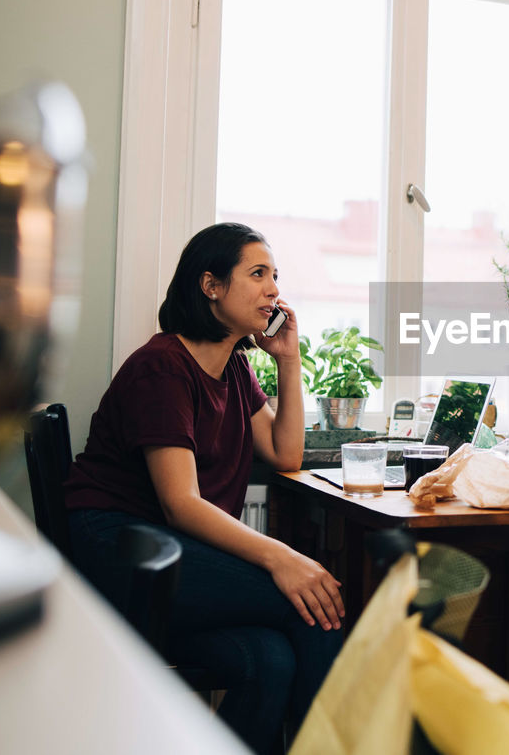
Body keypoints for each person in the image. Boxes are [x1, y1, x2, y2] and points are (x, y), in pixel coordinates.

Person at [64, 222, 344, 754]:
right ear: (210, 285)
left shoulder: (234, 368)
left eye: (275, 276)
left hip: (171, 556)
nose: (273, 290)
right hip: (125, 551)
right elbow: (181, 504)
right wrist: (281, 557)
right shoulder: (163, 367)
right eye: (257, 274)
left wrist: (288, 358)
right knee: (317, 605)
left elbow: (285, 453)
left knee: (270, 660)